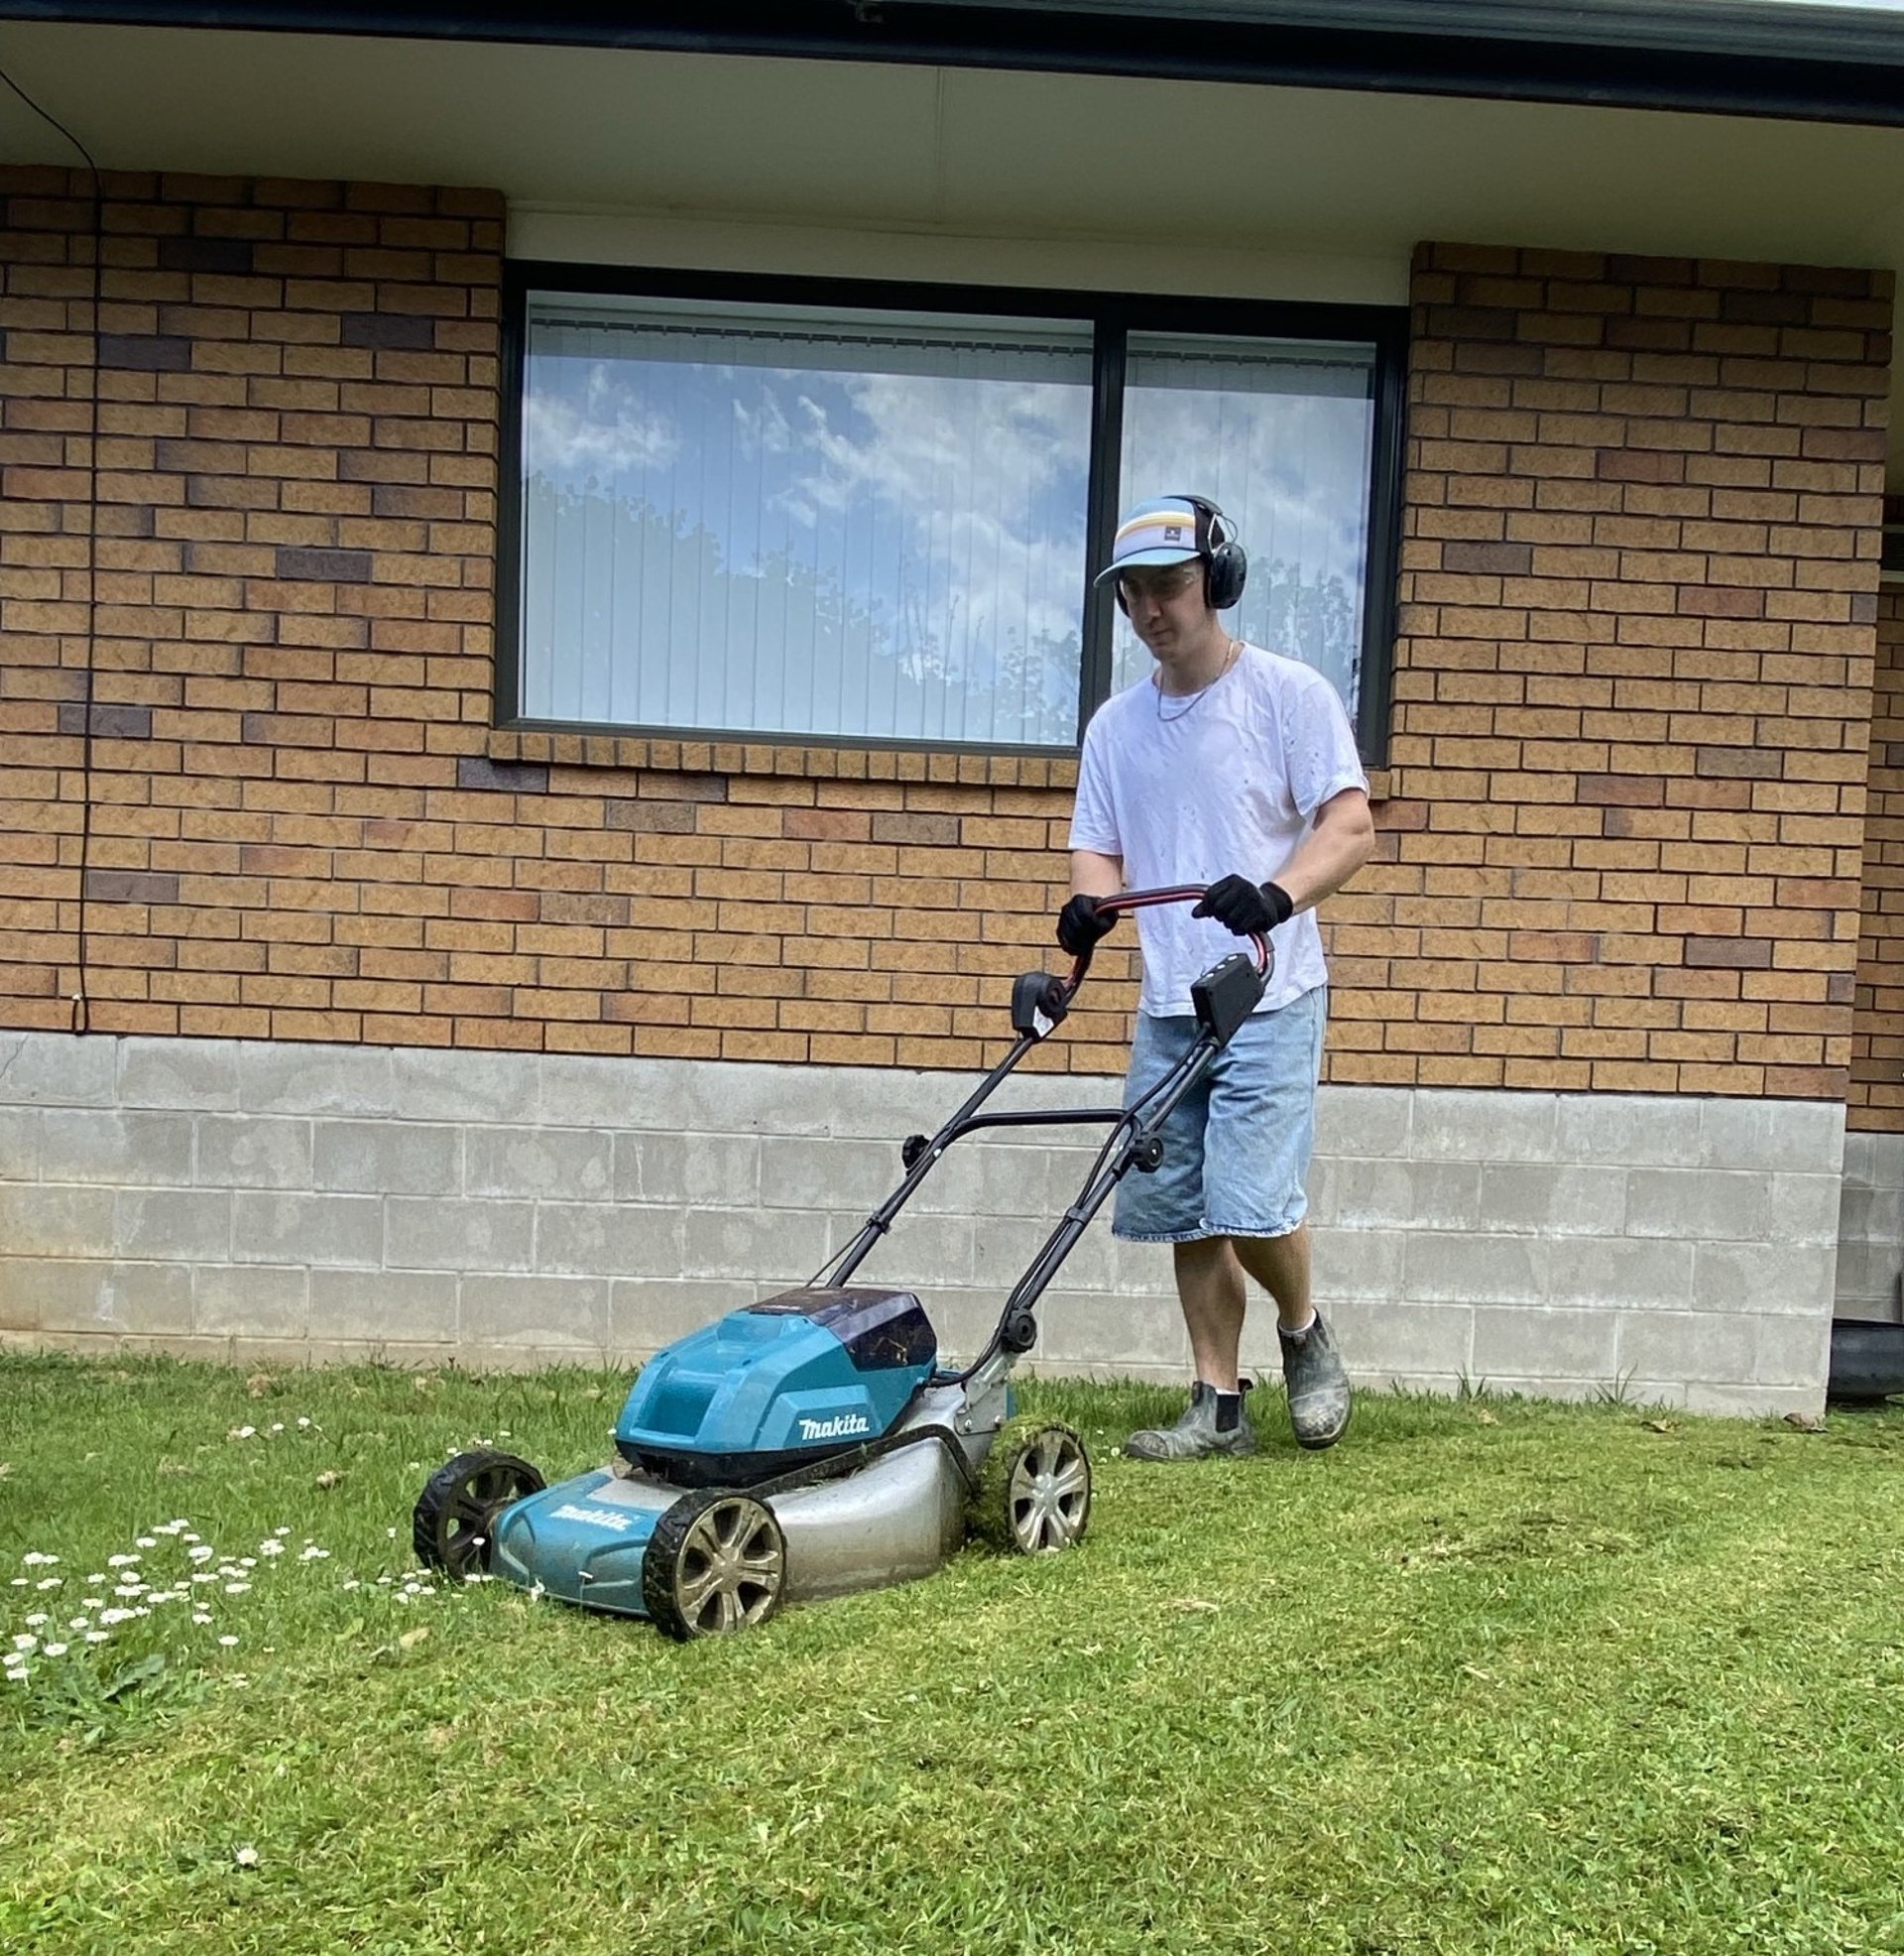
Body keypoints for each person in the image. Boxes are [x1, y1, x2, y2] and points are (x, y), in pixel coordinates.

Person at [1059, 494, 1375, 1459]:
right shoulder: (1116, 728)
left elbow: (1350, 827)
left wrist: (1277, 896)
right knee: (1184, 1207)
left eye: (1172, 585)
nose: (1155, 609)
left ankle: (1303, 1329)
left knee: (1252, 1200)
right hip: (1170, 1004)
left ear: (1216, 582)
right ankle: (1217, 1402)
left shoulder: (1288, 696)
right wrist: (1089, 907)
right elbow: (1097, 851)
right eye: (1137, 595)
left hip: (1268, 992)